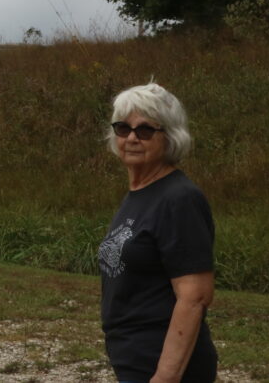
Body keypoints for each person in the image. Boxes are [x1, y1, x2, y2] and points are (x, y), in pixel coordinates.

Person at [97, 83, 217, 383]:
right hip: (134, 360)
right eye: (123, 128)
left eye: (146, 130)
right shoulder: (139, 193)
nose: (132, 138)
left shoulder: (179, 199)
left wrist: (165, 376)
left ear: (170, 137)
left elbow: (195, 296)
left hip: (163, 367)